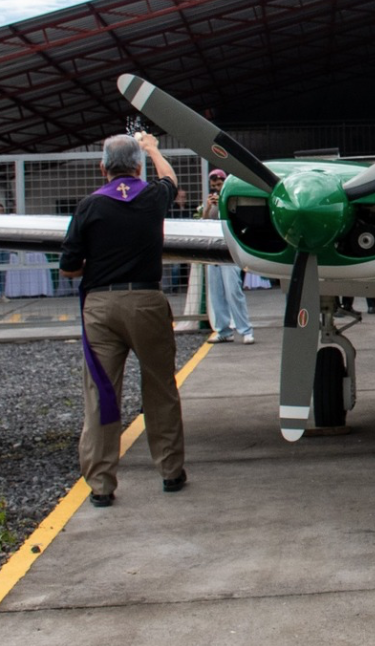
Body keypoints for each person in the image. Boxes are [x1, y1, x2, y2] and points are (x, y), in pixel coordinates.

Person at [58, 132, 186, 508]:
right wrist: (153, 148)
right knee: (160, 387)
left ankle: (101, 484)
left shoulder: (88, 206)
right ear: (136, 167)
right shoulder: (151, 197)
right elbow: (170, 180)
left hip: (100, 306)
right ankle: (171, 470)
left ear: (103, 168)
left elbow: (69, 269)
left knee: (101, 392)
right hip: (147, 300)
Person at [197, 169, 255, 344]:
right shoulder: (210, 204)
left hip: (229, 251)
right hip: (213, 251)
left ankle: (245, 329)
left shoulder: (231, 201)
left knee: (233, 290)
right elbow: (204, 223)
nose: (216, 189)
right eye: (213, 186)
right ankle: (223, 329)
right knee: (216, 292)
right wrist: (208, 207)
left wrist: (222, 201)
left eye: (219, 185)